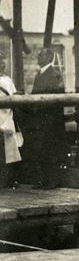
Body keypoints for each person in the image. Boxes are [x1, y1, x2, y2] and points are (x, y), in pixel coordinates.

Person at [22, 48, 65, 188]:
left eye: (41, 55)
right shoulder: (40, 75)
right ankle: (44, 180)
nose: (38, 57)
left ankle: (51, 181)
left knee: (50, 149)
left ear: (49, 57)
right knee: (41, 150)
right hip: (41, 119)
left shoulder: (54, 75)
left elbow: (54, 100)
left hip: (50, 120)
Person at [0, 54, 21, 185]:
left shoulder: (7, 79)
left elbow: (13, 95)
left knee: (9, 149)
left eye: (2, 62)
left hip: (6, 115)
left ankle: (6, 179)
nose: (2, 65)